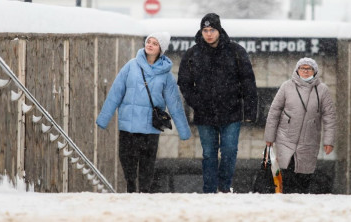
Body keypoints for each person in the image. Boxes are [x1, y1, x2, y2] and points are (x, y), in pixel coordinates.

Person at [96, 32, 191, 193]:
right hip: (128, 125)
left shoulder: (166, 75)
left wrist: (183, 131)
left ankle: (145, 191)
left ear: (161, 48)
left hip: (150, 126)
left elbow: (174, 103)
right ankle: (131, 187)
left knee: (147, 163)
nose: (150, 45)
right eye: (149, 41)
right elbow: (115, 93)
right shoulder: (131, 66)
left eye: (155, 43)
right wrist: (103, 119)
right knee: (127, 160)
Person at [178, 13, 258, 193]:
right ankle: (209, 190)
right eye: (205, 30)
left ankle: (224, 188)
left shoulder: (236, 51)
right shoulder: (193, 54)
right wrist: (196, 102)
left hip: (231, 112)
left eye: (212, 30)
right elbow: (184, 82)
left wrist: (250, 111)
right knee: (209, 155)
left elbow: (248, 81)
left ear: (219, 30)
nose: (208, 34)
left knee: (229, 152)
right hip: (204, 113)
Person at [264, 57, 336, 194]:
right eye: (302, 68)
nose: (305, 71)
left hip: (309, 139)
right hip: (285, 137)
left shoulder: (322, 90)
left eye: (309, 68)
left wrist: (329, 141)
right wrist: (269, 137)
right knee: (287, 172)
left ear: (315, 71)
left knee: (304, 176)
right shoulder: (286, 86)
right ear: (297, 70)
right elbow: (274, 111)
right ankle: (288, 201)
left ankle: (300, 201)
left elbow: (329, 116)